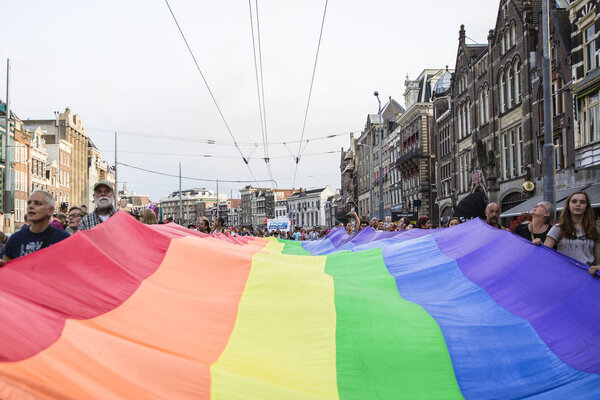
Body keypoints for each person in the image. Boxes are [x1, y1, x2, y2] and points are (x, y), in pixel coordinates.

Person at [1, 190, 70, 264]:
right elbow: (7, 269)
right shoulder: (15, 239)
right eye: (29, 203)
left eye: (37, 203)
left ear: (50, 210)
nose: (31, 206)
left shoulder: (63, 239)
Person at [544, 191, 600, 276]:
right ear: (568, 206)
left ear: (586, 207)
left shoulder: (595, 229)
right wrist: (537, 244)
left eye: (582, 202)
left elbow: (598, 262)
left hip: (587, 277)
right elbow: (544, 253)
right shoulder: (558, 228)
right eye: (574, 201)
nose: (578, 204)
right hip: (564, 275)